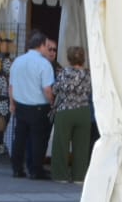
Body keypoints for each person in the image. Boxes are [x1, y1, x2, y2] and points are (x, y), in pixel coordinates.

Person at [9, 29, 57, 179]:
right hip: (38, 107)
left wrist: (12, 103)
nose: (48, 49)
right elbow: (47, 89)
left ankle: (17, 168)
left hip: (20, 105)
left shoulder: (17, 61)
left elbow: (11, 86)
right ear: (41, 45)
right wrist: (52, 102)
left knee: (20, 139)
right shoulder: (44, 64)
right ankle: (36, 170)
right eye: (47, 46)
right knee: (38, 140)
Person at [51, 44, 94, 184]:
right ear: (83, 58)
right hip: (83, 111)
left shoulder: (63, 73)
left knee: (61, 144)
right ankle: (79, 176)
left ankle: (60, 175)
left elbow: (55, 89)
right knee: (82, 145)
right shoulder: (89, 74)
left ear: (69, 59)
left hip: (65, 111)